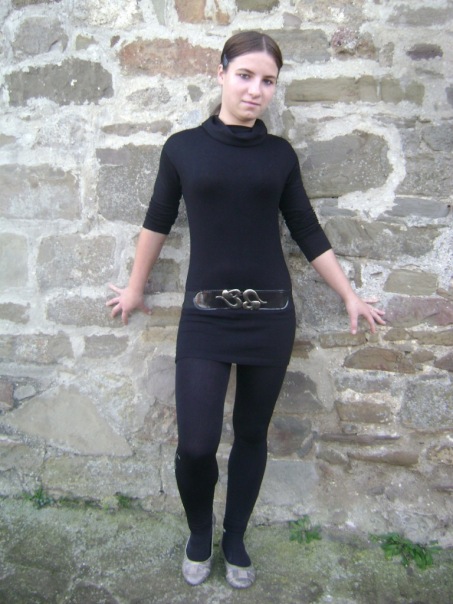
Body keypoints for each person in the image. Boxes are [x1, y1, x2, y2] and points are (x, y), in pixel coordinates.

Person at [107, 31, 385, 589]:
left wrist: (349, 294)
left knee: (252, 435)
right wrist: (135, 288)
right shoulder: (183, 149)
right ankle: (199, 531)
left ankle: (235, 537)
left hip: (270, 318)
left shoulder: (280, 156)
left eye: (268, 81)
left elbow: (306, 229)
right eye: (245, 76)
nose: (256, 90)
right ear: (221, 74)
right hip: (204, 318)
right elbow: (157, 221)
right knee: (196, 445)